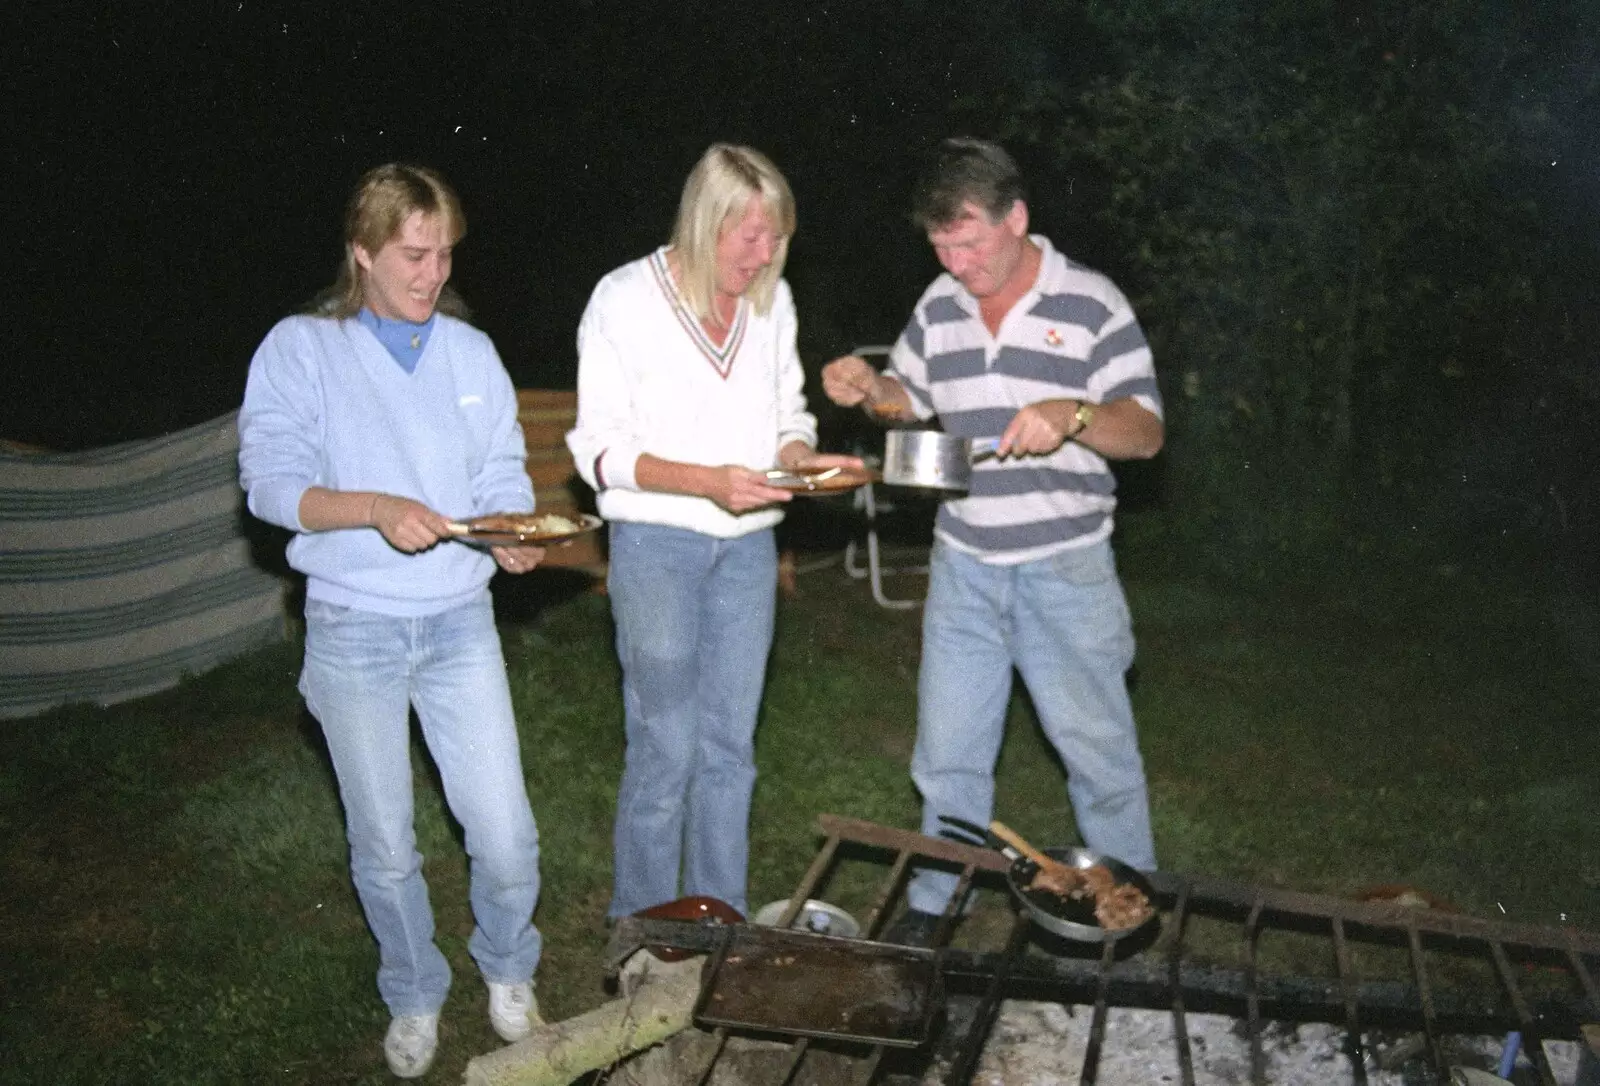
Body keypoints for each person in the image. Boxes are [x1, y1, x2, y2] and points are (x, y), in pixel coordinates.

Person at [238, 164, 545, 1078]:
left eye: (444, 252)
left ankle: (508, 967)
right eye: (413, 254)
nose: (432, 274)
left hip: (459, 622)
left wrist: (509, 535)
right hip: (353, 628)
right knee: (383, 842)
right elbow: (270, 487)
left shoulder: (469, 352)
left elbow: (500, 473)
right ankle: (413, 990)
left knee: (503, 829)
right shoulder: (300, 348)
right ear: (361, 253)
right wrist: (373, 507)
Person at [821, 138, 1163, 944]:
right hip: (966, 562)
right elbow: (910, 399)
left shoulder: (1091, 302)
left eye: (970, 241)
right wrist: (875, 390)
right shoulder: (940, 306)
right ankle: (938, 905)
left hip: (1066, 567)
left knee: (1098, 756)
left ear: (1017, 218)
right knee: (947, 757)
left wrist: (1073, 415)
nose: (956, 261)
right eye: (940, 245)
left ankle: (1124, 915)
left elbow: (1144, 433)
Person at [567, 143, 861, 923]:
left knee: (730, 748)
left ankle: (719, 925)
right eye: (750, 236)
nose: (764, 255)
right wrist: (707, 481)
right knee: (666, 745)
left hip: (750, 545)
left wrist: (800, 458)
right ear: (706, 221)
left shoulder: (771, 300)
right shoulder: (623, 298)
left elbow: (787, 413)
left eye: (777, 239)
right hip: (657, 545)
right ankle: (644, 932)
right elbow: (599, 451)